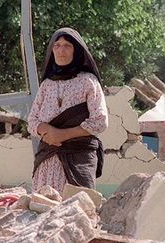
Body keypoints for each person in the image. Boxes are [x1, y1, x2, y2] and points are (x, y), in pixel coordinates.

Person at [27, 27, 108, 193]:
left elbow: (100, 121)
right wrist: (47, 130)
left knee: (78, 210)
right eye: (57, 45)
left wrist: (63, 135)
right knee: (44, 210)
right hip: (47, 160)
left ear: (76, 50)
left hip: (78, 158)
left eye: (67, 45)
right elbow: (32, 121)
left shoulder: (88, 81)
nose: (61, 50)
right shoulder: (47, 85)